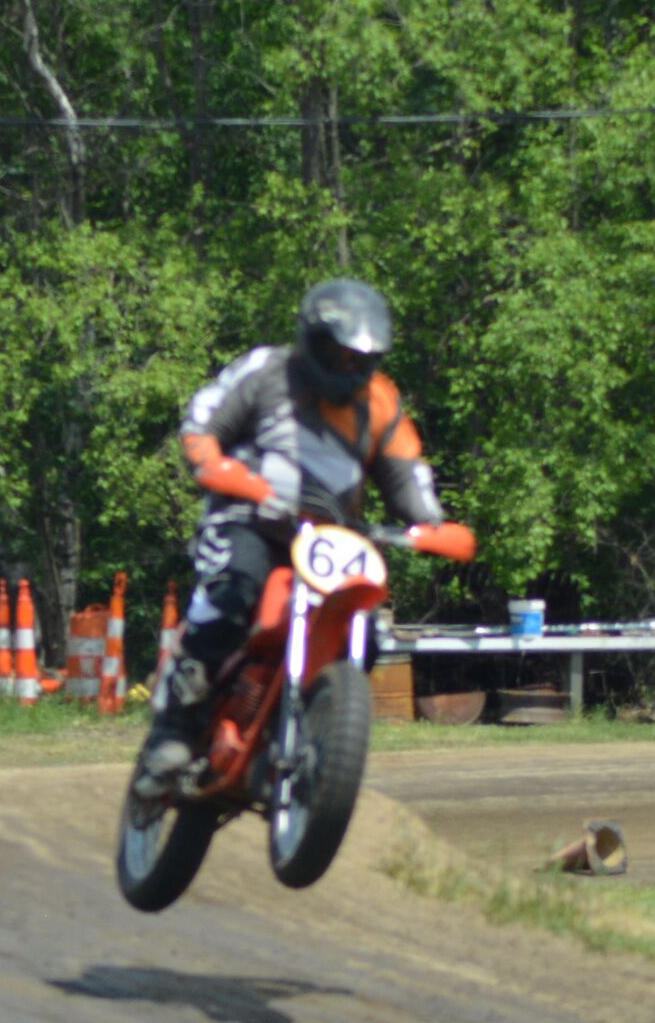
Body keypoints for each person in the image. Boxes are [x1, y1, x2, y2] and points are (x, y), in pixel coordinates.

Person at [136, 278, 449, 793]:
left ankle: (310, 735)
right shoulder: (268, 371)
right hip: (247, 516)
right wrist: (213, 462)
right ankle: (174, 728)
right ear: (310, 338)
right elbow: (203, 422)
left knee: (363, 631)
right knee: (236, 594)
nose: (348, 368)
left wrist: (435, 525)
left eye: (360, 359)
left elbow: (407, 473)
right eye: (338, 354)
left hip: (330, 538)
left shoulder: (381, 402)